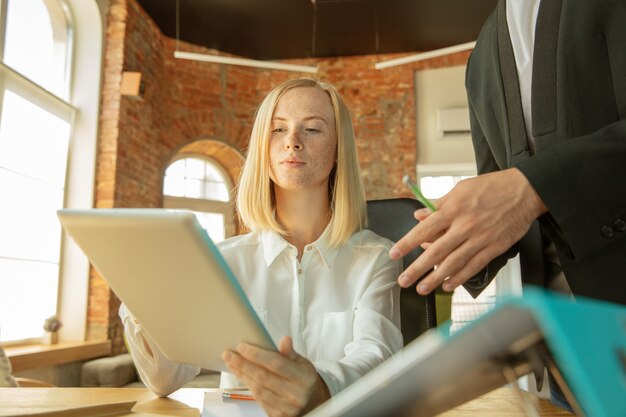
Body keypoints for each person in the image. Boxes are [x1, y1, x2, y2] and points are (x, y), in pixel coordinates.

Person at [121, 78, 403, 417]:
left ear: (339, 148)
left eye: (312, 129)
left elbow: (377, 357)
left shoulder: (376, 258)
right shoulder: (223, 261)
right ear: (262, 147)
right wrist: (142, 298)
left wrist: (319, 386)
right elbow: (164, 379)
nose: (293, 142)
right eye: (278, 129)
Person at [390, 0, 626, 306]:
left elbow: (521, 190)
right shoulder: (480, 59)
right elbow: (501, 195)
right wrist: (458, 240)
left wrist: (533, 188)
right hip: (550, 319)